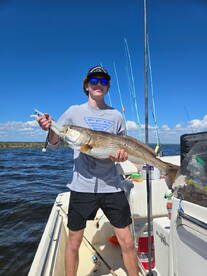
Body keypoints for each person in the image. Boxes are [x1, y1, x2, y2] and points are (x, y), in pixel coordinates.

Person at [37, 65, 140, 276]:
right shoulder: (74, 112)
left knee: (127, 241)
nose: (98, 85)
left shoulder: (116, 116)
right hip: (81, 187)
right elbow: (56, 141)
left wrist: (122, 155)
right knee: (74, 241)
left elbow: (124, 146)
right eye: (94, 81)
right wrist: (50, 130)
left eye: (103, 81)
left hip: (112, 185)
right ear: (87, 86)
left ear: (108, 86)